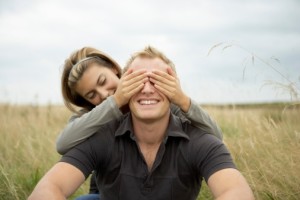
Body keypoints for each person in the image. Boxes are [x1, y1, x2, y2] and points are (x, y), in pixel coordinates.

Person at [29, 46, 254, 200]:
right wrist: (116, 102)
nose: (104, 95)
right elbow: (61, 148)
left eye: (103, 81)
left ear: (117, 72)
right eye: (91, 95)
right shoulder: (96, 123)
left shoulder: (175, 112)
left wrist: (180, 98)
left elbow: (214, 138)